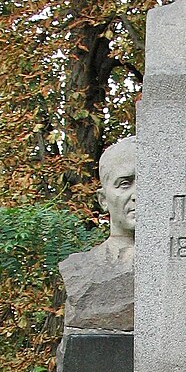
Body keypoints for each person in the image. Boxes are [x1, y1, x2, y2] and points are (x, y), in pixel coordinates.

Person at [59, 137, 136, 331]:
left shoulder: (181, 269)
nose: (138, 195)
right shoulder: (78, 269)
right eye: (125, 184)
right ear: (103, 199)